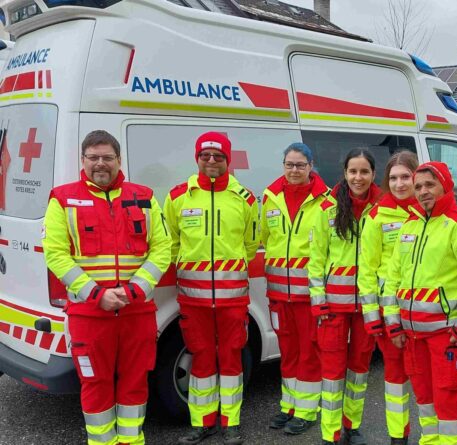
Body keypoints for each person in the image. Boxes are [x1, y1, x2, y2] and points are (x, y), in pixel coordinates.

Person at [43, 130, 171, 445]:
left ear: (118, 160)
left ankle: (131, 441)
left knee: (135, 382)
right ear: (83, 160)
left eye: (107, 157)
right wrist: (96, 294)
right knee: (95, 383)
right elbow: (55, 254)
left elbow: (163, 248)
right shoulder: (62, 198)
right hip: (89, 314)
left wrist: (134, 290)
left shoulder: (143, 196)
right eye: (94, 157)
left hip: (136, 311)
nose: (101, 164)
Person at [382, 161, 457, 445]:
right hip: (412, 335)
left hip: (445, 335)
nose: (422, 191)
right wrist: (393, 323)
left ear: (445, 185)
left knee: (446, 403)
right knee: (424, 400)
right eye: (418, 187)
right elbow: (392, 277)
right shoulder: (410, 223)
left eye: (429, 185)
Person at [164, 132, 259, 445]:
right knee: (201, 359)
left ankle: (231, 423)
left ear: (228, 161)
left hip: (233, 300)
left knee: (232, 359)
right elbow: (172, 243)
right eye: (205, 155)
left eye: (219, 156)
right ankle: (202, 423)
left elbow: (250, 244)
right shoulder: (178, 196)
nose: (212, 161)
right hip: (194, 302)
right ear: (197, 158)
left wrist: (227, 273)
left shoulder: (245, 199)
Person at [308, 148, 382, 445]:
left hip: (367, 307)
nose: (358, 177)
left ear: (373, 174)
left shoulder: (383, 209)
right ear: (345, 173)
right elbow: (314, 261)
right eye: (353, 171)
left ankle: (352, 425)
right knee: (332, 372)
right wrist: (318, 301)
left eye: (364, 171)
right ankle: (331, 432)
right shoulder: (327, 210)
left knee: (359, 370)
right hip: (332, 308)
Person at [261, 143, 329, 435]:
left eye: (300, 165)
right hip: (278, 295)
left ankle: (306, 410)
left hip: (307, 296)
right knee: (288, 353)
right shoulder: (269, 197)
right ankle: (288, 405)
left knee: (309, 353)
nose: (294, 170)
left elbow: (329, 251)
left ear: (311, 166)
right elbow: (261, 238)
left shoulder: (327, 203)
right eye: (289, 164)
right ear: (283, 165)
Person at [358, 151, 419, 445]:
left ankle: (434, 435)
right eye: (393, 178)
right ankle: (398, 435)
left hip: (426, 313)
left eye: (405, 176)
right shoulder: (376, 216)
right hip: (389, 313)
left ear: (417, 177)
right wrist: (372, 317)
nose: (399, 184)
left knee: (426, 380)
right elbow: (367, 271)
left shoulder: (430, 212)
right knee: (395, 378)